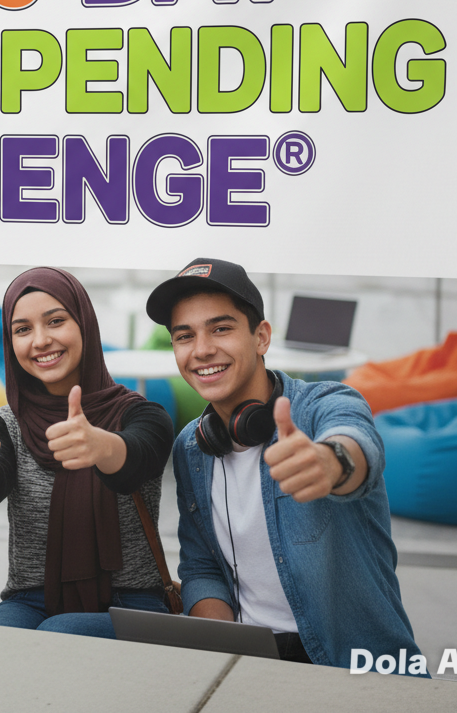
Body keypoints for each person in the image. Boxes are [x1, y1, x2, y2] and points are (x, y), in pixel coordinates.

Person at [148, 256, 424, 672]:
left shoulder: (324, 405)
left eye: (221, 328)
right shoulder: (192, 445)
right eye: (184, 336)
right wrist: (216, 646)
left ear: (261, 337)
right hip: (249, 659)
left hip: (349, 665)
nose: (202, 350)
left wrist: (330, 464)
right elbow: (202, 564)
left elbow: (357, 443)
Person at [0, 267, 175, 636]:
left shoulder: (142, 413)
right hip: (29, 598)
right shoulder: (7, 423)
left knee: (60, 633)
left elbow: (140, 457)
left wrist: (99, 444)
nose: (40, 340)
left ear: (85, 325)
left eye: (55, 321)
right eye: (22, 329)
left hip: (132, 600)